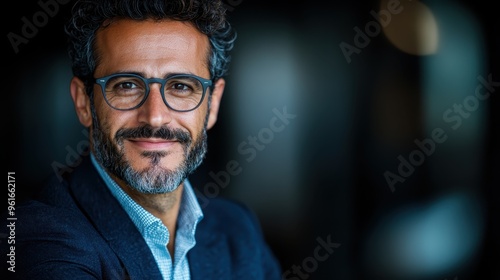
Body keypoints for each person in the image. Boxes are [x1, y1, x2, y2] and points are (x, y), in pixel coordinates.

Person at [0, 0, 282, 279]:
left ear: (213, 103)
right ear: (84, 102)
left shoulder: (236, 229)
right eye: (127, 85)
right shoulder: (37, 240)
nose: (155, 117)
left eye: (181, 86)